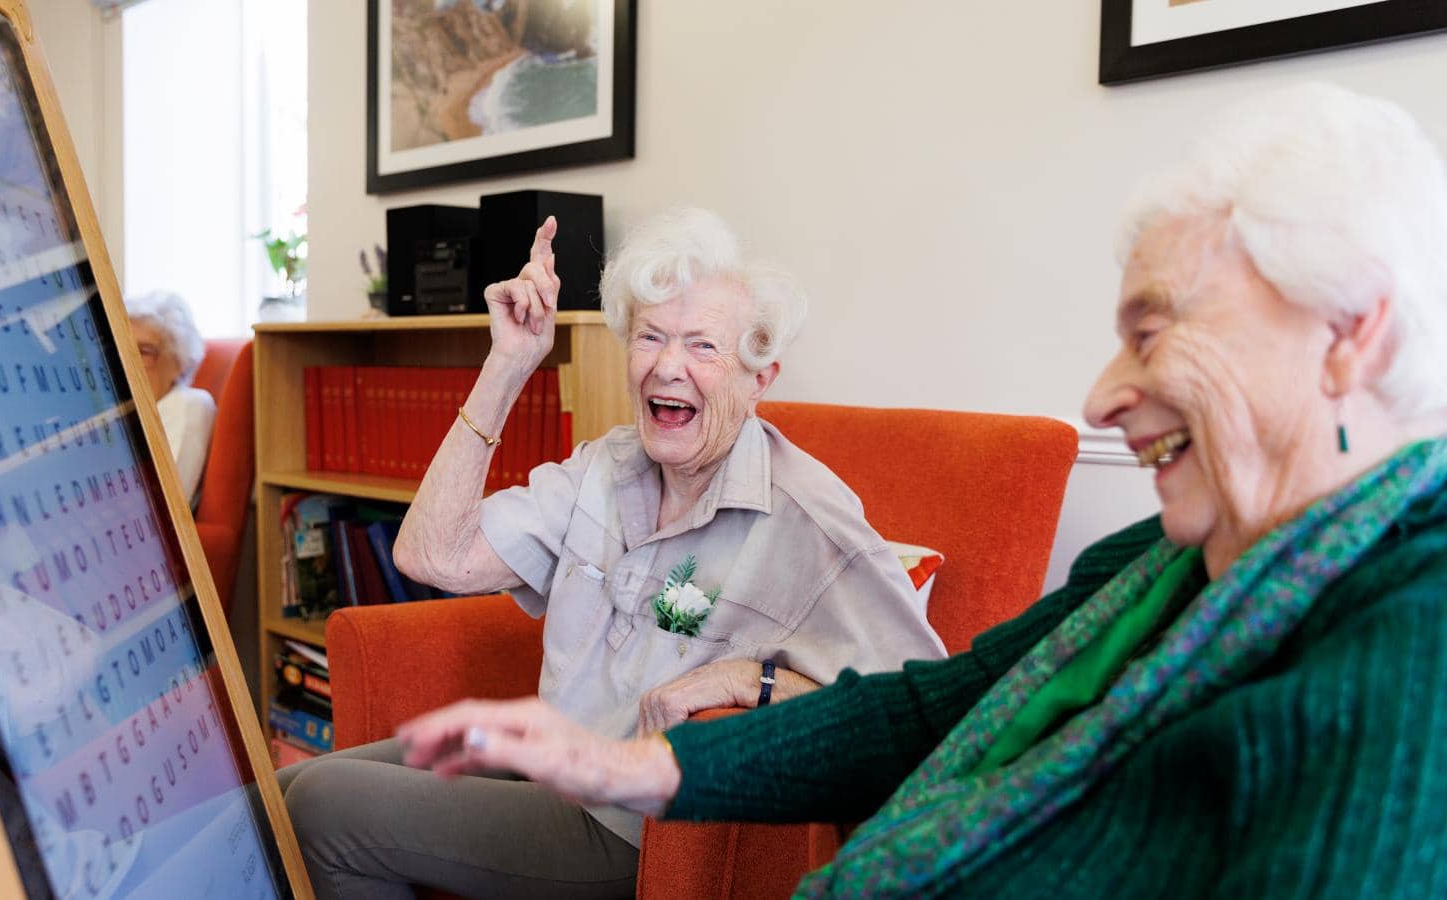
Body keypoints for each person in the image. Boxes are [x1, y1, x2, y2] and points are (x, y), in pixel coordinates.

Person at [398, 83, 1447, 898]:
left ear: (1350, 332)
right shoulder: (1151, 565)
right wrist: (637, 764)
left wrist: (728, 700)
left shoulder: (1410, 650)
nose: (1101, 395)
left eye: (1155, 332)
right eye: (652, 341)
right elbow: (933, 710)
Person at [275, 208, 948, 897]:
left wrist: (754, 682)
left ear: (760, 380)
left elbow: (933, 716)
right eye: (650, 336)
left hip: (628, 826)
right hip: (546, 761)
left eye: (703, 347)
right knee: (278, 795)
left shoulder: (806, 517)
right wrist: (508, 365)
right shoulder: (607, 466)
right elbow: (432, 556)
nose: (667, 366)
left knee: (327, 807)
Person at [125, 291, 216, 505]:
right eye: (123, 349)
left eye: (144, 352)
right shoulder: (129, 412)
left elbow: (162, 503)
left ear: (179, 362)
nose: (127, 363)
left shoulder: (189, 405)